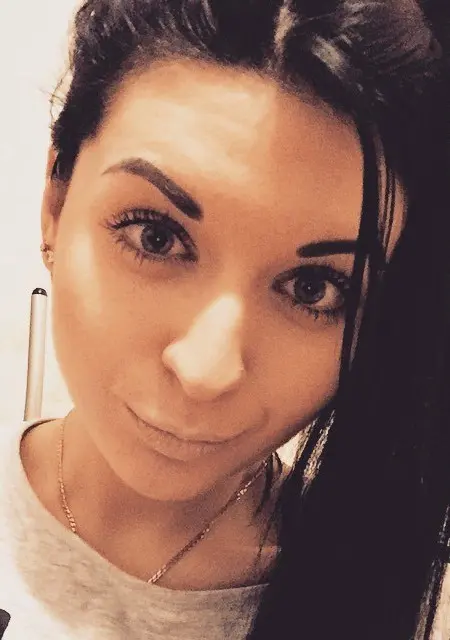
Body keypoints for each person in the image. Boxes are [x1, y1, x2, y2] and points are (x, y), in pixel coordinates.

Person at [0, 0, 449, 638]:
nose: (205, 370)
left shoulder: (407, 609)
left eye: (314, 288)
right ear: (56, 202)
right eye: (155, 236)